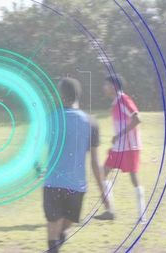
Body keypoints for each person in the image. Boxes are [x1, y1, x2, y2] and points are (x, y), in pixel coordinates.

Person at [43, 78, 110, 253]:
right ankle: (54, 247)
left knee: (57, 227)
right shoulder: (91, 122)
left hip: (53, 183)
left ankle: (54, 246)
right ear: (77, 96)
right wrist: (103, 191)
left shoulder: (51, 119)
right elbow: (95, 162)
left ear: (61, 95)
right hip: (76, 186)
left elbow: (40, 148)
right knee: (60, 225)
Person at [94, 75, 145, 223]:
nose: (104, 88)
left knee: (134, 178)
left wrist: (120, 135)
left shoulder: (124, 100)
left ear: (114, 87)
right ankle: (110, 211)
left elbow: (137, 119)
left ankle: (142, 215)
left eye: (106, 85)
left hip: (130, 147)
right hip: (118, 148)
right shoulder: (115, 102)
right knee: (102, 174)